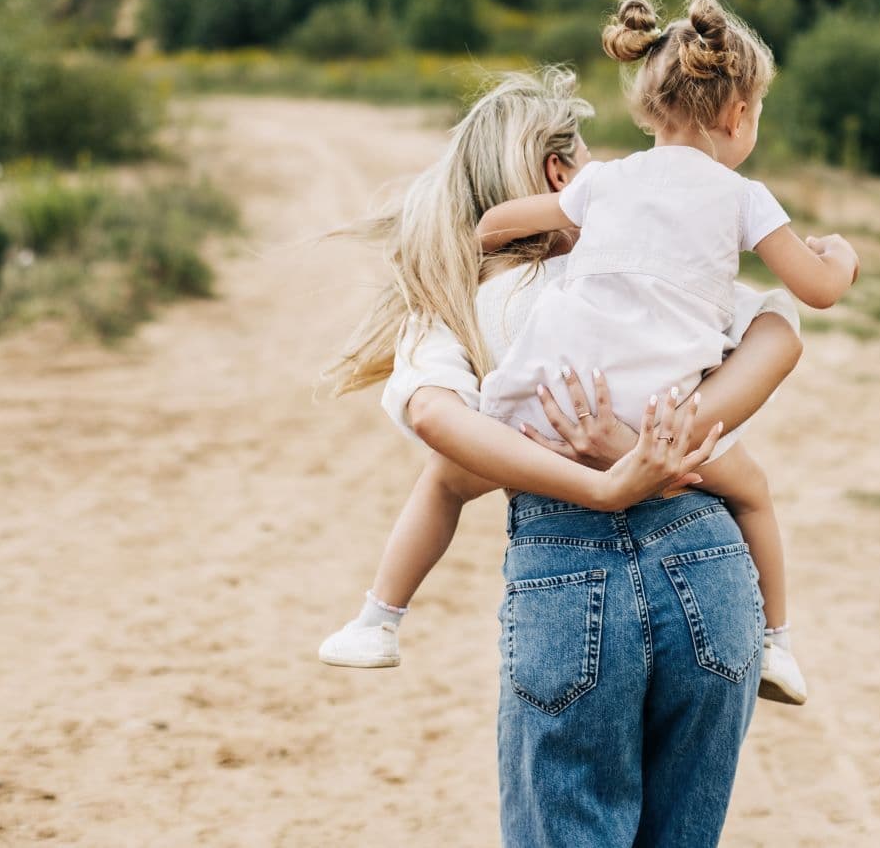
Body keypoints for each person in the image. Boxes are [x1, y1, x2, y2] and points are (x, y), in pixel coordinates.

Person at [324, 66, 812, 844]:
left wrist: (606, 482)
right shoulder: (661, 280)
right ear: (560, 175)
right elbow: (780, 325)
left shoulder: (463, 301)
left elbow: (439, 428)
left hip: (566, 576)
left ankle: (376, 619)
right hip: (709, 567)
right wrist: (670, 439)